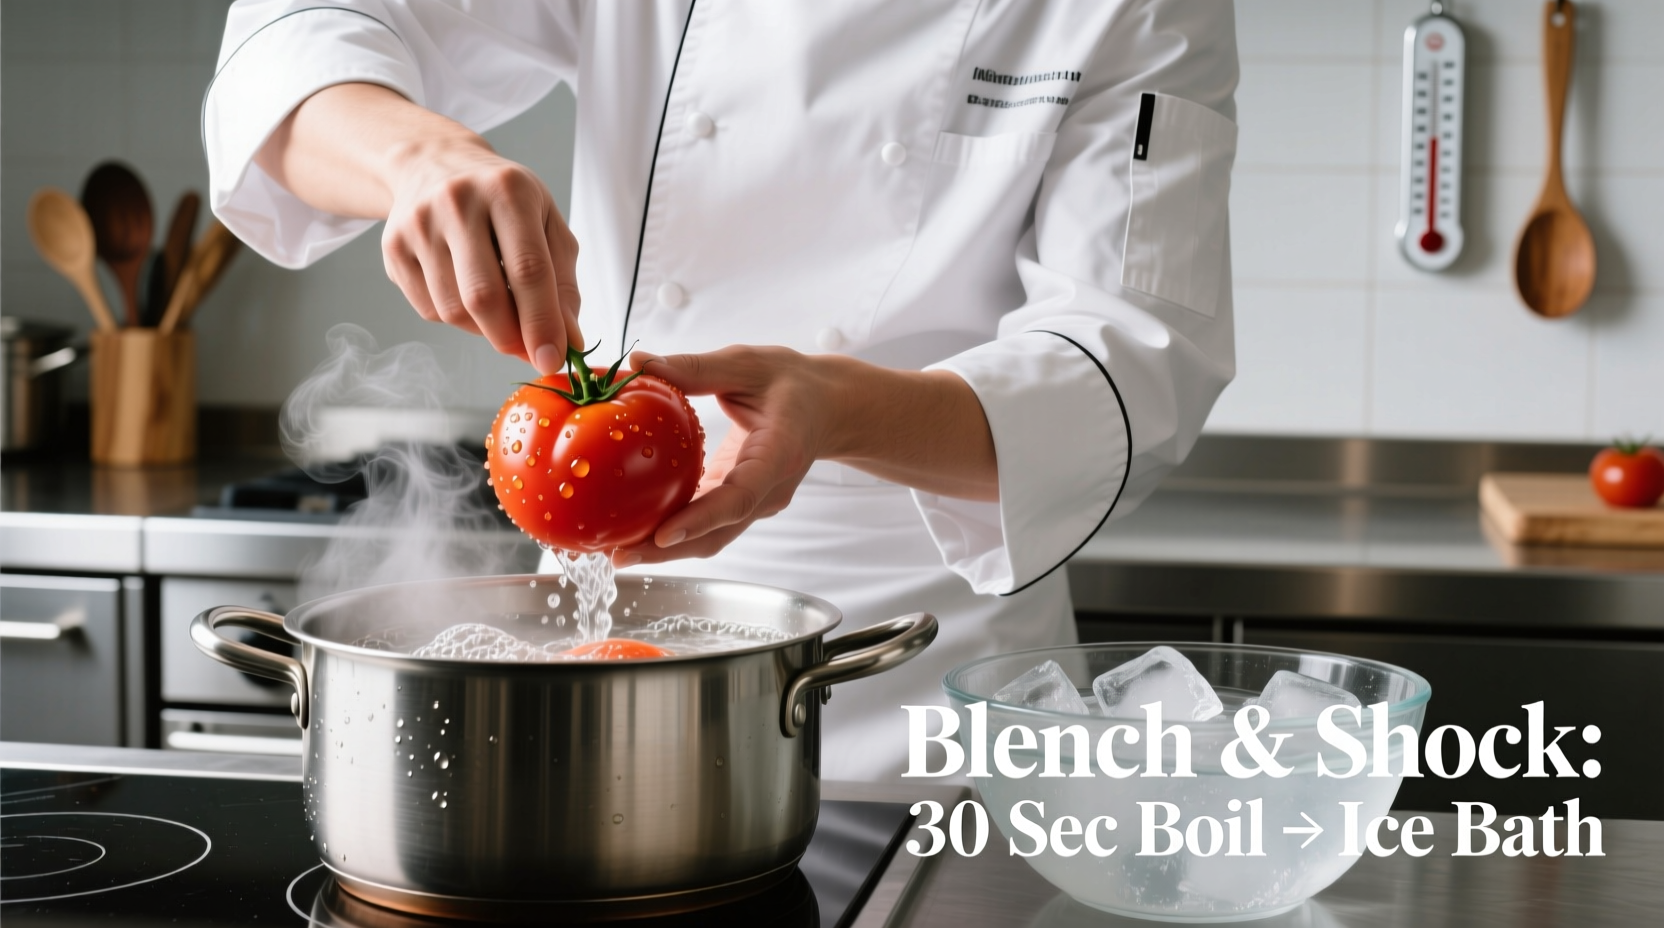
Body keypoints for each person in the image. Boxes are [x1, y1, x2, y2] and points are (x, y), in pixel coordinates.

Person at [205, 0, 1239, 782]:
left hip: (930, 686)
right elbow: (296, 38)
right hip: (604, 650)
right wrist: (417, 157)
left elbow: (1129, 366)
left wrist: (834, 411)